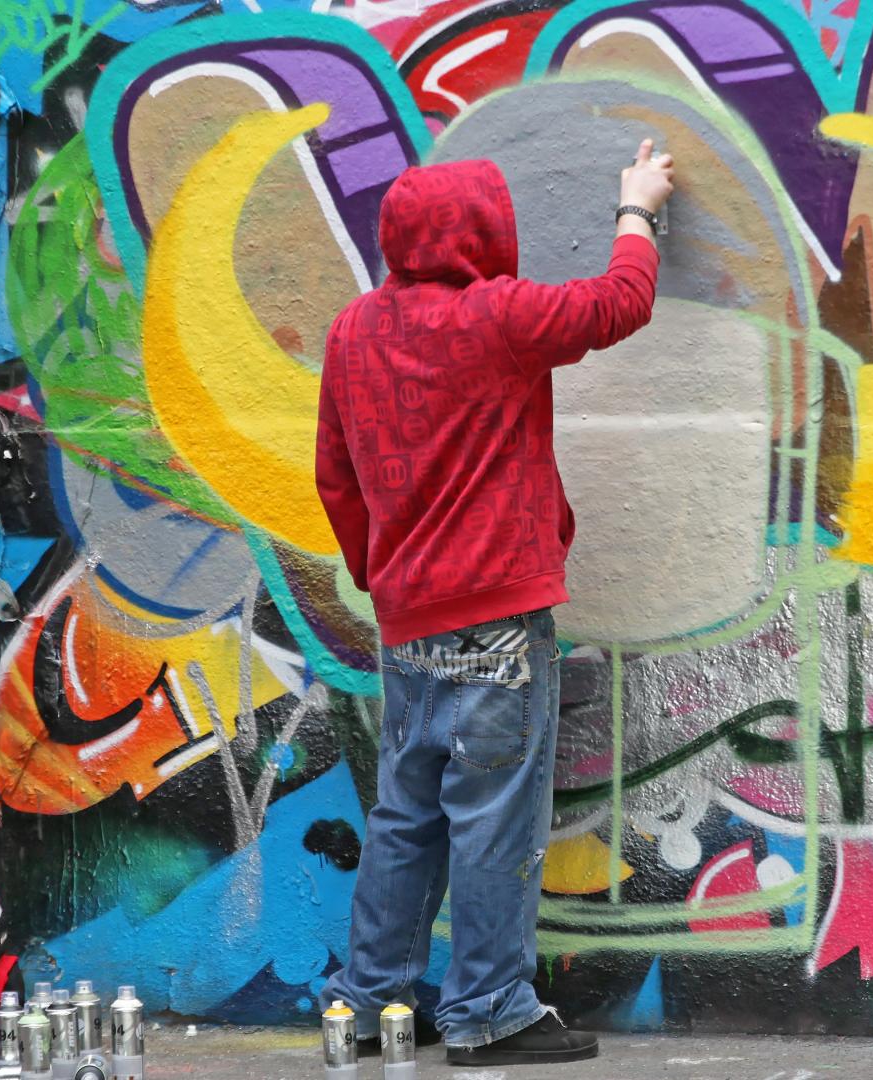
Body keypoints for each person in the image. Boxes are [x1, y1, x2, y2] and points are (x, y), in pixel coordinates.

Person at [312, 140, 676, 1066]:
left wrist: (380, 576)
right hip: (499, 624)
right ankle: (486, 1012)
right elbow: (618, 303)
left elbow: (337, 477)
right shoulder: (498, 316)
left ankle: (364, 1010)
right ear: (484, 230)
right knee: (491, 817)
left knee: (406, 813)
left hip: (408, 622)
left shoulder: (353, 330)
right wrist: (637, 206)